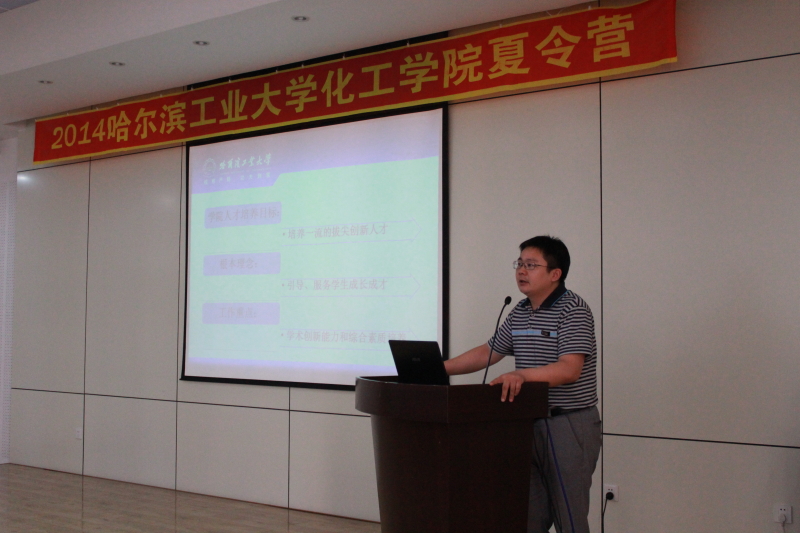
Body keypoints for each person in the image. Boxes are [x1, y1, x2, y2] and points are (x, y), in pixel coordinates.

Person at [444, 235, 601, 533]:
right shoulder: (520, 310)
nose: (521, 271)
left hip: (567, 423)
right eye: (519, 264)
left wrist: (522, 375)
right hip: (526, 422)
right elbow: (488, 352)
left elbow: (570, 370)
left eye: (531, 265)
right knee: (526, 517)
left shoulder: (573, 309)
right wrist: (440, 368)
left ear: (555, 274)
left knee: (570, 519)